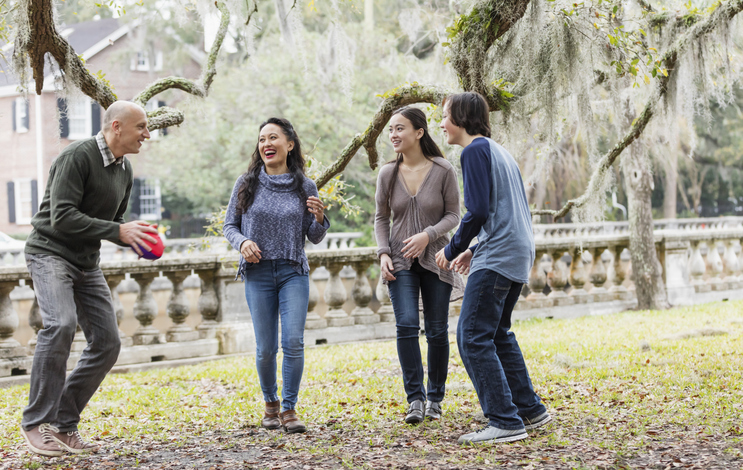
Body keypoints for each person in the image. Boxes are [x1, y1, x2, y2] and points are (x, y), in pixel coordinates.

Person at [21, 101, 159, 456]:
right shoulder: (77, 156)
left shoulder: (124, 169)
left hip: (86, 261)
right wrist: (117, 230)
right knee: (61, 324)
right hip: (50, 252)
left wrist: (133, 238)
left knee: (108, 342)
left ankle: (64, 425)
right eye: (142, 127)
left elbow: (113, 220)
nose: (148, 133)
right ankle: (37, 423)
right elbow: (61, 217)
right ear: (116, 127)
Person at [435, 92, 551, 444]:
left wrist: (453, 246)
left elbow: (479, 210)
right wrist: (473, 248)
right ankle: (530, 410)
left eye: (445, 116)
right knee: (497, 333)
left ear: (461, 117)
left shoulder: (473, 151)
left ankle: (505, 420)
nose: (441, 123)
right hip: (514, 252)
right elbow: (501, 212)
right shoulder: (498, 151)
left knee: (471, 337)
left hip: (500, 256)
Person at [223, 117, 329, 434]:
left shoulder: (305, 186)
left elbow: (315, 236)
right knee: (266, 347)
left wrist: (320, 218)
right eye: (262, 139)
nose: (266, 144)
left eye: (273, 137)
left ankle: (289, 408)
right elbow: (229, 226)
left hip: (292, 271)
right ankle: (270, 403)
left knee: (293, 341)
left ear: (289, 144)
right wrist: (243, 243)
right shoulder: (247, 183)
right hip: (257, 274)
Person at [374, 106, 462, 424]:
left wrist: (428, 235)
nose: (394, 135)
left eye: (400, 129)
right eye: (391, 130)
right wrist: (383, 252)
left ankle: (435, 398)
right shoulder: (387, 173)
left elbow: (454, 214)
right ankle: (415, 399)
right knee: (407, 326)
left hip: (438, 258)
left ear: (419, 133)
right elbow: (381, 217)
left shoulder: (443, 170)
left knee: (437, 331)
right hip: (399, 260)